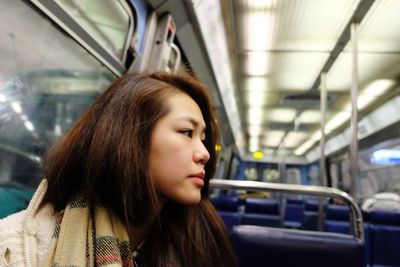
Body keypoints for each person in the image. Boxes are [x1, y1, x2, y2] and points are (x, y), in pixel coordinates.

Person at [0, 72, 237, 267]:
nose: (204, 153)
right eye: (187, 133)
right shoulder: (19, 248)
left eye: (203, 138)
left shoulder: (201, 240)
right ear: (133, 138)